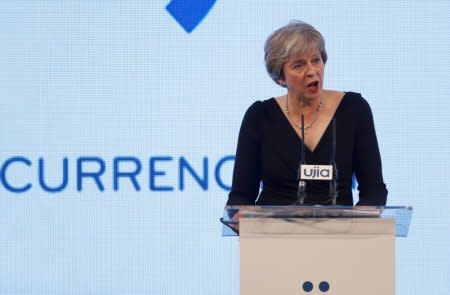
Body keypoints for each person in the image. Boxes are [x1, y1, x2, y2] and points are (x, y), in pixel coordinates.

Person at [226, 20, 387, 206]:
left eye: (316, 60)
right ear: (280, 78)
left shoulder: (354, 109)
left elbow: (374, 191)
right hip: (275, 233)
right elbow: (240, 197)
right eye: (299, 65)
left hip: (339, 233)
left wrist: (355, 228)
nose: (312, 71)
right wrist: (239, 215)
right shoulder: (260, 117)